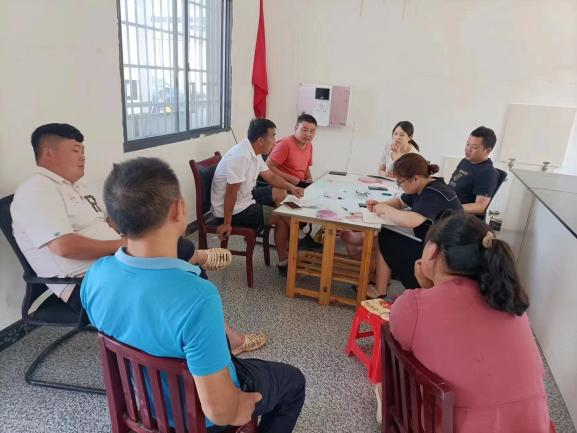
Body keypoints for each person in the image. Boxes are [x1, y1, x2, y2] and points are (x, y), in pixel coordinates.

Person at [81, 157, 306, 432]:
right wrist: (241, 405)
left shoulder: (96, 275)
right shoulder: (198, 296)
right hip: (196, 419)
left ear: (113, 221)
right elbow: (221, 411)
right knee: (293, 381)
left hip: (141, 404)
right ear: (179, 209)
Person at [11, 123, 263, 356]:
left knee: (169, 250)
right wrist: (125, 244)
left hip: (114, 265)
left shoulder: (73, 187)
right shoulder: (37, 190)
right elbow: (63, 246)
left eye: (83, 150)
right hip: (87, 283)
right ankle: (217, 333)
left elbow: (106, 222)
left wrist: (134, 227)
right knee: (182, 277)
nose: (83, 156)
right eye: (75, 150)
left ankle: (217, 326)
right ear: (49, 153)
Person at [387, 213, 555, 433]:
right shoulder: (508, 300)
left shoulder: (413, 306)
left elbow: (399, 330)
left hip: (455, 426)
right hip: (533, 424)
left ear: (432, 251)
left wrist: (426, 290)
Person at [211, 118, 305, 276]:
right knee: (280, 217)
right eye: (273, 136)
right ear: (261, 140)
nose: (275, 141)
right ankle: (285, 259)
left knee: (280, 191)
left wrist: (292, 187)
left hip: (245, 198)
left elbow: (270, 176)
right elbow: (230, 193)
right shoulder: (240, 156)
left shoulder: (253, 151)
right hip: (234, 210)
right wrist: (226, 223)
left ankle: (297, 234)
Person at [366, 153, 462, 298]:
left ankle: (380, 290)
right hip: (434, 241)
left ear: (415, 178)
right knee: (386, 231)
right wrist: (379, 205)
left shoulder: (434, 193)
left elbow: (411, 220)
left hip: (446, 255)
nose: (399, 186)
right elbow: (400, 202)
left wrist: (385, 209)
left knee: (386, 236)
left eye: (400, 182)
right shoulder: (423, 185)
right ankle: (380, 284)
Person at [341, 120, 421, 259]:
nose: (397, 137)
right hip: (386, 186)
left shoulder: (414, 156)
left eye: (402, 135)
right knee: (365, 202)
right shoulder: (388, 146)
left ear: (410, 137)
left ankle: (359, 242)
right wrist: (386, 174)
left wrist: (397, 157)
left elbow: (403, 177)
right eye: (395, 133)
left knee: (383, 212)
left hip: (402, 192)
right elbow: (381, 169)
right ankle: (357, 245)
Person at [449, 126, 499, 215]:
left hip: (458, 216)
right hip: (448, 203)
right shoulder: (465, 161)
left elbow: (480, 206)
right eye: (468, 144)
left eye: (474, 147)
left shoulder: (487, 173)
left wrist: (449, 207)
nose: (468, 149)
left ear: (487, 151)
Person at [267, 114, 316, 188]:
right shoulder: (284, 144)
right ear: (296, 128)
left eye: (312, 131)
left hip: (300, 185)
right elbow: (268, 166)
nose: (308, 134)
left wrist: (309, 179)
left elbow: (306, 167)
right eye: (304, 130)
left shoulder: (309, 145)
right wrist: (292, 179)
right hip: (283, 186)